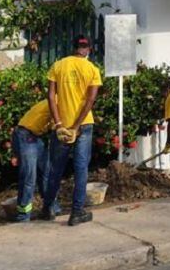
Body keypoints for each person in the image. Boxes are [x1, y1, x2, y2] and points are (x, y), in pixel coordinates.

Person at [42, 35, 103, 225]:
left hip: (63, 124)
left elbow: (51, 97)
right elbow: (90, 100)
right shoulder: (92, 69)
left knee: (56, 169)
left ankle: (48, 208)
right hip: (83, 125)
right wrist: (76, 126)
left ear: (74, 47)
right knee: (81, 168)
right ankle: (77, 212)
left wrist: (59, 124)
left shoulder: (58, 66)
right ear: (88, 49)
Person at [12, 99, 60, 222]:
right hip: (26, 135)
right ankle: (23, 215)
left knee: (46, 174)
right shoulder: (57, 101)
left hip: (35, 136)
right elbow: (58, 126)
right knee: (29, 177)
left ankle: (51, 207)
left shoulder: (57, 100)